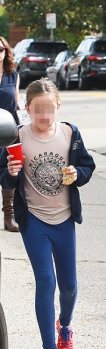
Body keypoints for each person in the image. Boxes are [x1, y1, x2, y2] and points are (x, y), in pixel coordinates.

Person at [0, 78, 95, 349]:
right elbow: (3, 178)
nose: (44, 115)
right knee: (45, 281)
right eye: (37, 109)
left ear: (58, 106)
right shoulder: (17, 136)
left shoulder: (69, 133)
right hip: (35, 221)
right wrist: (11, 173)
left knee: (69, 286)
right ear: (27, 108)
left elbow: (88, 167)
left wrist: (76, 173)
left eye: (49, 109)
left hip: (64, 219)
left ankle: (64, 326)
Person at [0, 36, 21, 232]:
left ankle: (9, 216)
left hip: (9, 131)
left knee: (10, 171)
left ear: (6, 52)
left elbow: (17, 103)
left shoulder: (13, 75)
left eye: (1, 49)